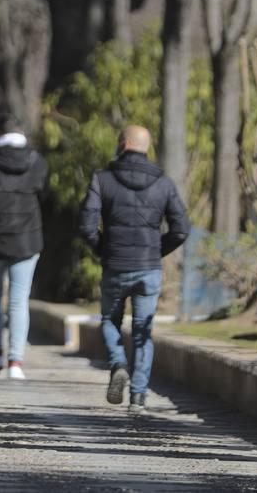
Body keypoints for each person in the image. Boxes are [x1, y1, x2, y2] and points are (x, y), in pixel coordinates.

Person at [78, 124, 190, 416]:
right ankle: (138, 396)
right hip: (148, 268)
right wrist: (157, 251)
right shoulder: (163, 183)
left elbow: (87, 226)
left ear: (124, 144)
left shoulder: (102, 180)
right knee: (143, 330)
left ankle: (118, 364)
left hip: (115, 264)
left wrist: (104, 249)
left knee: (109, 320)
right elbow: (181, 230)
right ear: (145, 147)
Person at [0, 114, 49, 380]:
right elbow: (44, 196)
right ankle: (16, 361)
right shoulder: (36, 161)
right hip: (27, 240)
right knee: (18, 299)